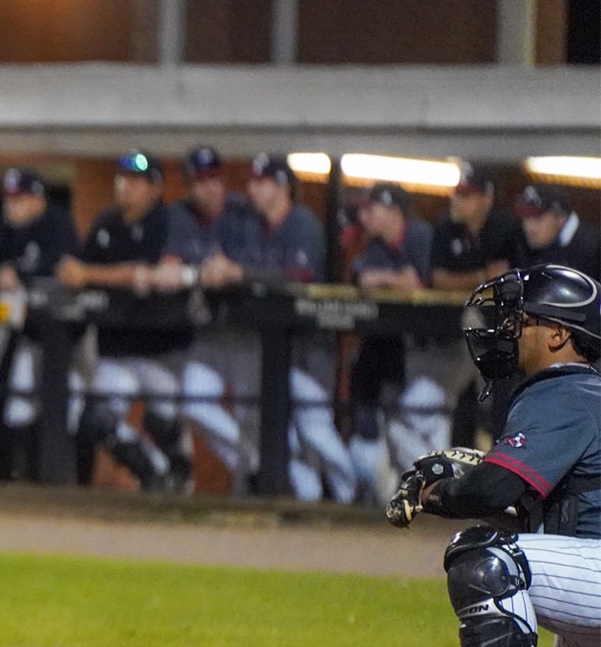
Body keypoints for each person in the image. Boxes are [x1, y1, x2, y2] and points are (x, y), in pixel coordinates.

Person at [385, 264, 601, 647]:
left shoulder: (566, 389)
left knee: (486, 561)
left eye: (521, 320)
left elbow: (492, 491)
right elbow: (536, 516)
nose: (507, 329)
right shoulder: (586, 395)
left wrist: (441, 492)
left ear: (559, 335)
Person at [207, 152, 356, 501]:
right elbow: (235, 267)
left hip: (311, 345)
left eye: (262, 183)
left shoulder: (303, 223)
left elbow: (299, 276)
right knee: (282, 434)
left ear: (282, 187)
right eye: (253, 182)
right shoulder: (252, 228)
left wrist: (240, 273)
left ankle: (355, 496)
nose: (254, 190)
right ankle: (309, 499)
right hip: (275, 347)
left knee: (314, 429)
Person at [56, 151, 191, 493]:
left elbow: (145, 273)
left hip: (165, 351)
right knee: (95, 419)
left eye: (137, 182)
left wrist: (91, 274)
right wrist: (77, 272)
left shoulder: (169, 222)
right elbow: (78, 271)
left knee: (163, 422)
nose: (127, 187)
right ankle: (154, 472)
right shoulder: (107, 224)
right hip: (116, 349)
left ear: (155, 189)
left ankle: (179, 472)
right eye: (124, 180)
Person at [0, 167, 78, 480]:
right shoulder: (8, 230)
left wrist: (19, 275)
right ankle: (6, 470)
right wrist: (2, 271)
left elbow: (62, 271)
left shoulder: (58, 225)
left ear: (37, 199)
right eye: (9, 199)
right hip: (23, 335)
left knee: (70, 412)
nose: (11, 206)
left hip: (69, 343)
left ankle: (61, 479)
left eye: (19, 199)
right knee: (11, 400)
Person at [153, 146, 256, 487]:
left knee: (248, 415)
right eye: (200, 181)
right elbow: (169, 268)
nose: (209, 188)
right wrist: (196, 273)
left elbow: (239, 270)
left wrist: (201, 272)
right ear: (189, 186)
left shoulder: (244, 213)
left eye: (214, 179)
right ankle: (253, 465)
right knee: (194, 402)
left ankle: (251, 483)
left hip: (248, 331)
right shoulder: (180, 214)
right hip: (211, 333)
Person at [347, 184, 444, 501]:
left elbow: (417, 284)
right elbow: (362, 277)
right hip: (408, 351)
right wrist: (392, 280)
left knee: (412, 424)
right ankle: (429, 497)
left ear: (393, 211)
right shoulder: (377, 245)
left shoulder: (420, 235)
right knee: (407, 427)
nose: (364, 216)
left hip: (444, 351)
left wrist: (387, 280)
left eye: (371, 209)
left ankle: (441, 492)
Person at [431, 164, 524, 449]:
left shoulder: (507, 228)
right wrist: (483, 276)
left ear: (487, 198)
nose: (457, 200)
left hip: (502, 332)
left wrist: (467, 281)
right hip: (454, 336)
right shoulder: (445, 227)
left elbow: (510, 280)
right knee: (460, 406)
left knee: (497, 402)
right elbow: (438, 280)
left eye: (467, 195)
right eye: (457, 193)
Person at [515, 183, 601, 278]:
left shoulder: (595, 249)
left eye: (537, 218)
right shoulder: (520, 242)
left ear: (561, 218)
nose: (529, 226)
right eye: (525, 217)